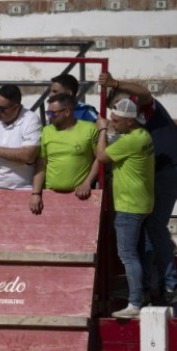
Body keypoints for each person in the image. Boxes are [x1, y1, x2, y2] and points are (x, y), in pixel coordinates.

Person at [100, 72, 177, 304]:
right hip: (156, 173)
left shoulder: (145, 111)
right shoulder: (137, 127)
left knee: (154, 227)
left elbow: (144, 92)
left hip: (167, 170)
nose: (117, 114)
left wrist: (115, 83)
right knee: (146, 231)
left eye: (118, 107)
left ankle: (168, 284)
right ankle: (149, 287)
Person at [94, 99, 155, 318]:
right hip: (143, 202)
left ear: (130, 121)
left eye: (117, 121)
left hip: (129, 205)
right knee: (141, 252)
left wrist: (101, 131)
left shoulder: (130, 142)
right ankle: (143, 294)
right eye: (111, 120)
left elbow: (101, 157)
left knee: (128, 256)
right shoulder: (143, 136)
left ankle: (135, 304)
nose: (113, 124)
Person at [29, 93, 99, 214]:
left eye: (52, 113)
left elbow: (100, 158)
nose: (49, 117)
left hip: (81, 198)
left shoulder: (89, 129)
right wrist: (36, 193)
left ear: (67, 112)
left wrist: (87, 183)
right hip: (50, 197)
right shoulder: (46, 131)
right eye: (48, 113)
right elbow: (41, 164)